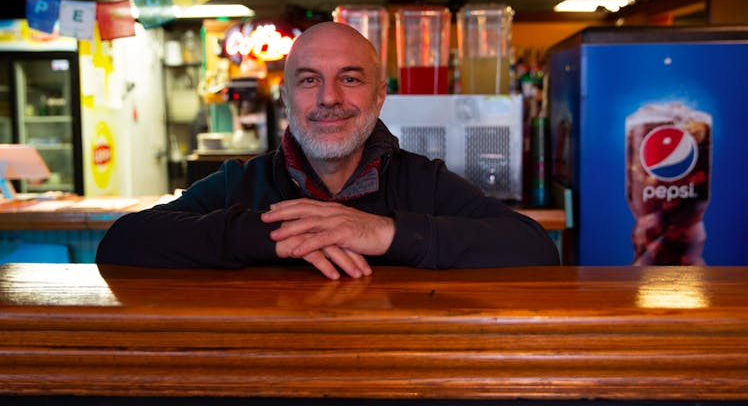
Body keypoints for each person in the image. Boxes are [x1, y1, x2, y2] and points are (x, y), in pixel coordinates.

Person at [96, 22, 560, 278]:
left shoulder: (424, 182)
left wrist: (384, 233)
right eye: (309, 80)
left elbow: (535, 248)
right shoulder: (242, 183)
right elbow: (122, 242)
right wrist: (277, 238)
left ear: (379, 98)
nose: (329, 98)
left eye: (350, 79)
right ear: (286, 99)